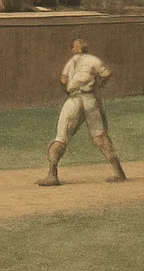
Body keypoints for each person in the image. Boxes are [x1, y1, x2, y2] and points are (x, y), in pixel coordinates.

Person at [37, 38, 126, 186]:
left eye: (73, 47)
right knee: (99, 136)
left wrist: (71, 85)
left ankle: (52, 175)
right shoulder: (89, 60)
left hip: (77, 100)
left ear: (74, 49)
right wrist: (97, 86)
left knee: (62, 137)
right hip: (88, 99)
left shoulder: (77, 61)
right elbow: (106, 74)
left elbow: (64, 80)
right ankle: (119, 172)